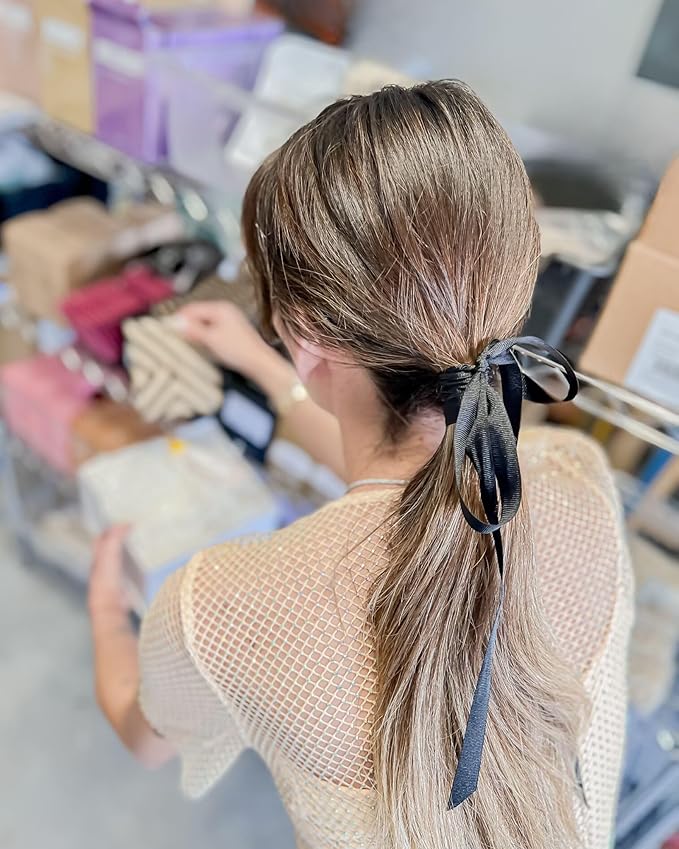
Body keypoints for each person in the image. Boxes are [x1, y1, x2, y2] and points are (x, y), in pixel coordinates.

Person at [89, 81, 633, 849]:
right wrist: (267, 362)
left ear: (303, 333)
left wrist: (106, 612)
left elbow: (141, 732)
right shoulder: (574, 482)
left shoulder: (219, 608)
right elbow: (413, 478)